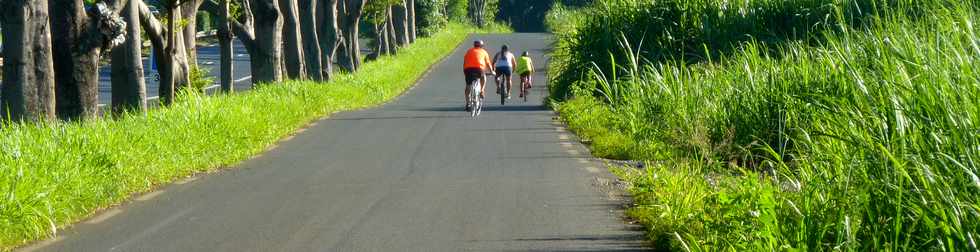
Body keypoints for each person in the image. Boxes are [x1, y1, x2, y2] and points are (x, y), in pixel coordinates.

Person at [463, 40, 494, 110]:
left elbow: (465, 61)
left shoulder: (469, 51)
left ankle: (468, 103)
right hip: (479, 69)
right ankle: (482, 90)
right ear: (482, 46)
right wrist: (491, 71)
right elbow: (488, 63)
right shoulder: (484, 52)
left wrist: (465, 71)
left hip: (468, 70)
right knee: (483, 77)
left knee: (468, 86)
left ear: (474, 45)